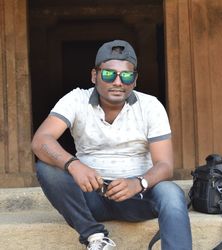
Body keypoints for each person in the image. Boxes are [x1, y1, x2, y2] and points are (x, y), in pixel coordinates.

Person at [31, 40, 192, 250]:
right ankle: (95, 236)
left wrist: (139, 183)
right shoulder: (76, 99)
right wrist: (74, 165)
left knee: (171, 193)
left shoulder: (151, 106)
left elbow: (165, 165)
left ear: (134, 80)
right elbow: (41, 140)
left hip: (138, 196)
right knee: (47, 168)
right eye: (109, 74)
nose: (118, 82)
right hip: (90, 195)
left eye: (126, 76)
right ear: (94, 76)